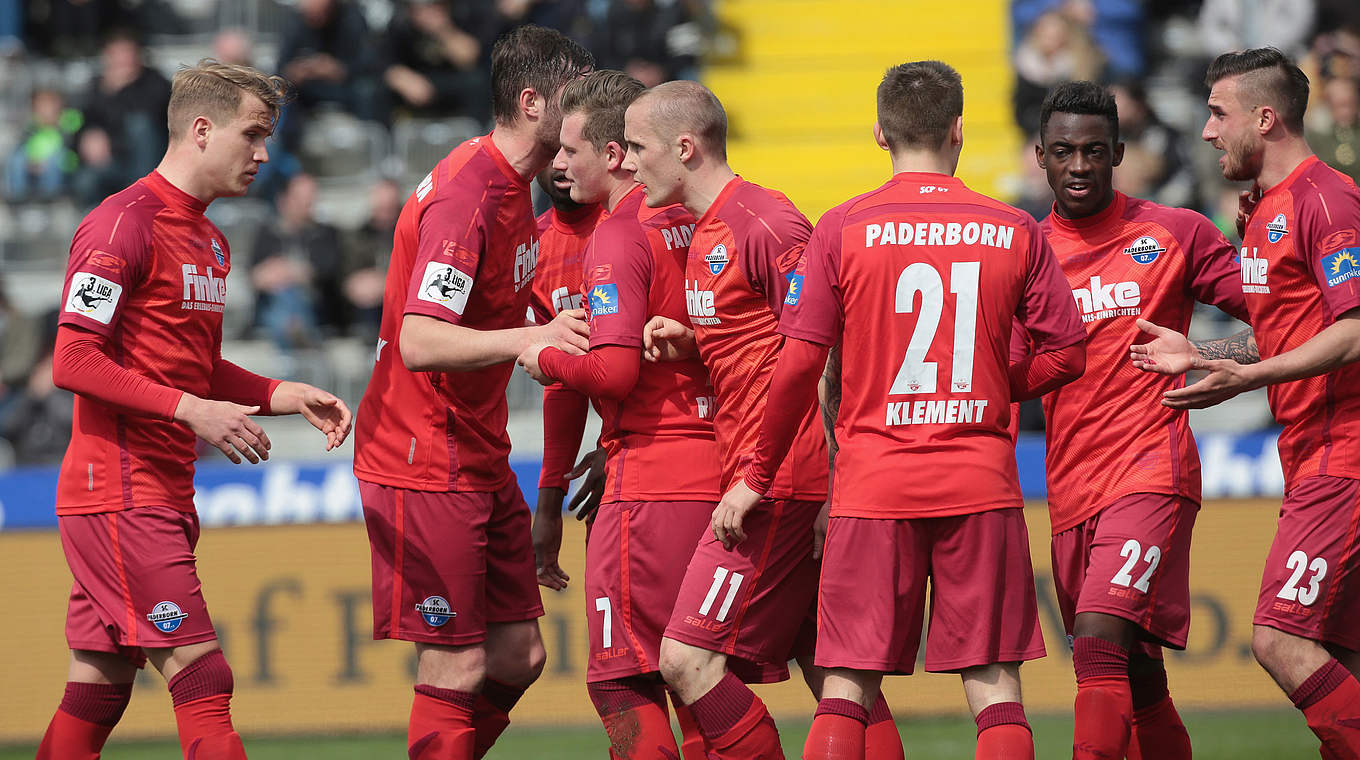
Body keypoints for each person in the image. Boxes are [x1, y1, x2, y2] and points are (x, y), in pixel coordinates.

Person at [722, 60, 1088, 760]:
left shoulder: (842, 227)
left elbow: (798, 364)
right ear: (957, 131)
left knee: (847, 685)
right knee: (992, 681)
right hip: (979, 481)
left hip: (873, 485)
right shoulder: (1013, 228)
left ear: (879, 135)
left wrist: (755, 473)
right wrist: (992, 384)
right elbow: (1068, 353)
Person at [35, 59, 353, 760]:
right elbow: (74, 360)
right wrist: (192, 411)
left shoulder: (210, 238)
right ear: (201, 130)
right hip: (119, 491)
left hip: (159, 490)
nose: (264, 154)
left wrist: (279, 393)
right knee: (204, 674)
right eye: (253, 135)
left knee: (100, 683)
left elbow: (196, 366)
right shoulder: (120, 223)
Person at [619, 80, 905, 760]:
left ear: (683, 148)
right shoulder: (712, 227)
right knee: (832, 669)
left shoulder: (765, 222)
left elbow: (836, 348)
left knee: (686, 661)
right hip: (769, 473)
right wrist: (694, 340)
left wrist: (832, 484)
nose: (628, 164)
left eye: (637, 148)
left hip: (779, 479)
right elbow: (769, 337)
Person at [351, 25, 593, 760]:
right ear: (531, 102)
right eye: (571, 97)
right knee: (457, 661)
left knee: (519, 656)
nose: (583, 113)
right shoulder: (468, 195)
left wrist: (542, 322)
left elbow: (495, 303)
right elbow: (422, 339)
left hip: (476, 453)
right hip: (423, 456)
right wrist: (528, 340)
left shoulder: (509, 187)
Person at [1131, 46, 1360, 757]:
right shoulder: (1262, 215)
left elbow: (1355, 329)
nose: (1205, 130)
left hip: (1345, 450)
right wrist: (1207, 357)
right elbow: (1280, 338)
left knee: (1280, 639)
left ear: (1265, 118)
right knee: (1335, 656)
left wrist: (1251, 379)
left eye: (1217, 113)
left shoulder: (1327, 199)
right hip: (1311, 450)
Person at [1025, 80, 1248, 760]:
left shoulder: (1176, 232)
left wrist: (1208, 352)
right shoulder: (1023, 255)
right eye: (1064, 152)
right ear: (1041, 157)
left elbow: (1286, 326)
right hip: (1069, 488)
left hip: (1152, 471)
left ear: (1119, 151)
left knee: (1095, 642)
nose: (1080, 166)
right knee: (1138, 675)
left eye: (1095, 151)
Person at [515, 69, 721, 759]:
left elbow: (607, 372)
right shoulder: (719, 218)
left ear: (614, 154)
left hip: (652, 481)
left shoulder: (613, 236)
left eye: (569, 150)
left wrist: (543, 355)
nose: (557, 164)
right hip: (733, 467)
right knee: (709, 675)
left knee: (620, 678)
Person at [527, 162, 605, 591]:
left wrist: (613, 446)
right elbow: (562, 383)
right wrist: (549, 504)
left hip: (662, 448)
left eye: (572, 148)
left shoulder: (630, 225)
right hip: (619, 459)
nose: (560, 161)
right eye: (552, 147)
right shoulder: (534, 247)